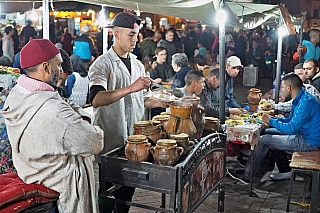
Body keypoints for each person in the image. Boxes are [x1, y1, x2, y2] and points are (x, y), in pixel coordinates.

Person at [0, 38, 104, 212]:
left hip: (32, 173)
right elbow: (94, 141)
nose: (61, 70)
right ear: (46, 67)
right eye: (58, 65)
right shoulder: (54, 111)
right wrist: (87, 121)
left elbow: (66, 105)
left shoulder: (18, 93)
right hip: (61, 189)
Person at [88, 12, 168, 213]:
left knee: (127, 191)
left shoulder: (137, 63)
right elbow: (96, 99)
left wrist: (162, 102)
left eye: (136, 35)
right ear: (116, 34)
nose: (135, 40)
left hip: (134, 139)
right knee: (107, 191)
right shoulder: (102, 64)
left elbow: (142, 99)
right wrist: (132, 87)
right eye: (130, 35)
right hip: (112, 138)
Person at [228, 73, 320, 184]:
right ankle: (275, 166)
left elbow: (291, 128)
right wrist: (273, 119)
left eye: (282, 87)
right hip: (303, 133)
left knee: (263, 140)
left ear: (289, 87)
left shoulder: (305, 102)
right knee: (265, 131)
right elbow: (290, 120)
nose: (281, 90)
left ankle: (247, 175)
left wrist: (270, 121)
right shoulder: (300, 98)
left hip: (308, 141)